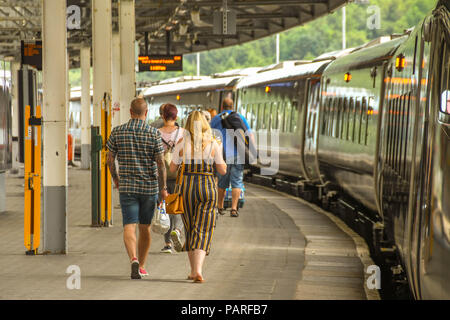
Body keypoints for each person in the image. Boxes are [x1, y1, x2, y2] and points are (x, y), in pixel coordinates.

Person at [106, 98, 168, 280]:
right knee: (145, 228)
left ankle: (133, 258)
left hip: (127, 187)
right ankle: (141, 266)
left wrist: (116, 179)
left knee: (129, 226)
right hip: (149, 188)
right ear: (146, 113)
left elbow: (109, 160)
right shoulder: (153, 133)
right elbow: (161, 164)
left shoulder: (117, 131)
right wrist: (163, 187)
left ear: (130, 112)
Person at [170, 111, 227, 283]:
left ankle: (194, 270)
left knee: (190, 228)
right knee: (203, 229)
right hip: (207, 188)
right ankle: (198, 270)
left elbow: (172, 169)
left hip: (186, 188)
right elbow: (223, 170)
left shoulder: (181, 143)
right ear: (205, 125)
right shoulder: (214, 144)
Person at [210, 98, 253, 218]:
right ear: (232, 106)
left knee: (222, 182)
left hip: (222, 154)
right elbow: (249, 135)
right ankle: (234, 208)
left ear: (222, 107)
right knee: (237, 182)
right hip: (238, 154)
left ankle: (220, 206)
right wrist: (251, 150)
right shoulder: (239, 117)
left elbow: (210, 135)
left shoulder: (216, 118)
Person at [158, 103, 185, 254]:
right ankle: (178, 230)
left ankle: (168, 243)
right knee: (179, 205)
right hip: (179, 175)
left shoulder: (155, 133)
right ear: (176, 116)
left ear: (163, 116)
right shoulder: (183, 133)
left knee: (165, 208)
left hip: (162, 176)